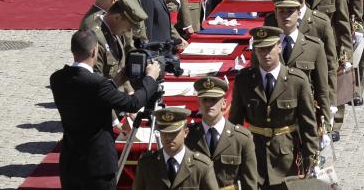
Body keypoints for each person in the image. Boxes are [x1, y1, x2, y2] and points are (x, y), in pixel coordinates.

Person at [50, 29, 161, 190]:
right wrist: (151, 78)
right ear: (94, 51)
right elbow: (133, 104)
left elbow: (87, 97)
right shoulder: (97, 84)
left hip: (71, 163)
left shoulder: (57, 78)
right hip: (97, 166)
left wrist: (115, 82)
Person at [228, 27, 318, 188]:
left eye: (270, 48)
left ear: (279, 47)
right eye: (261, 49)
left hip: (286, 158)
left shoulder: (296, 81)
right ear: (255, 51)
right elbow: (235, 124)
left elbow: (308, 125)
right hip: (254, 157)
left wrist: (310, 160)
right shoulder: (244, 81)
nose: (266, 54)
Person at [185, 77, 258, 190]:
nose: (209, 104)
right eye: (205, 99)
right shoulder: (188, 136)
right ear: (198, 103)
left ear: (224, 103)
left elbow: (250, 183)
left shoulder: (242, 138)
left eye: (214, 99)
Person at [132, 107, 218, 190]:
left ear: (186, 132)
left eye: (174, 133)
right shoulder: (147, 164)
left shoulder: (201, 166)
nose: (168, 137)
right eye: (164, 133)